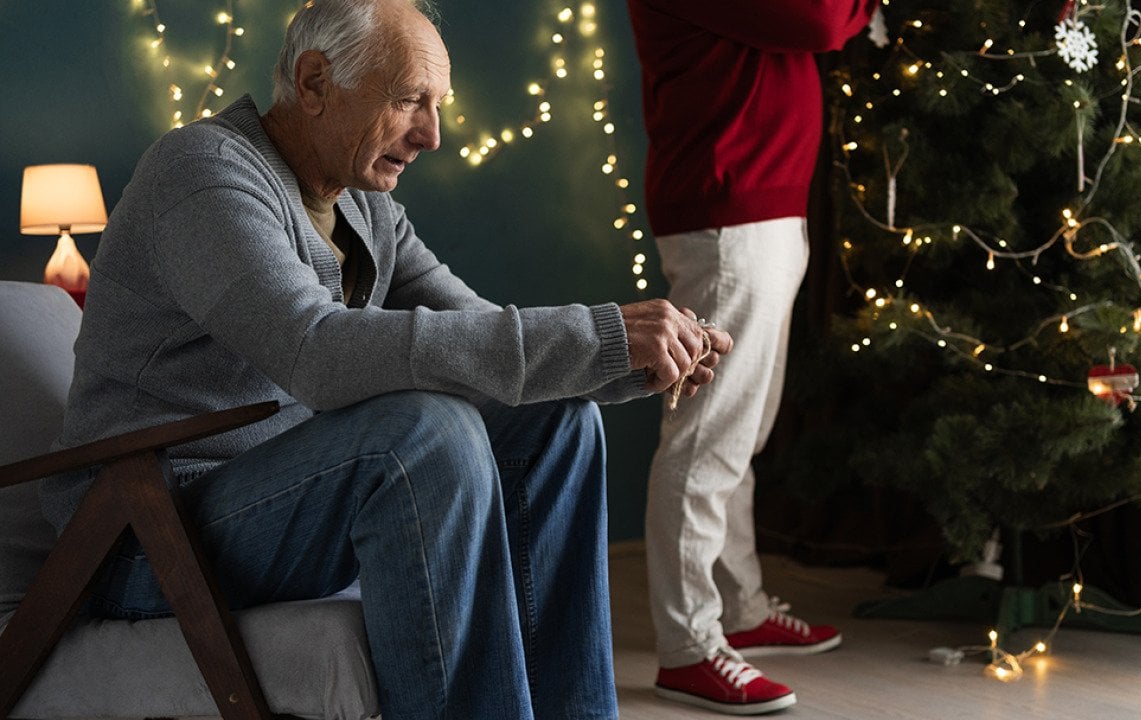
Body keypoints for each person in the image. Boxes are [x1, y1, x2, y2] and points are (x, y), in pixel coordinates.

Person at [37, 1, 732, 718]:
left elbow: (480, 331)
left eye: (436, 106)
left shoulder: (364, 207)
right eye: (409, 101)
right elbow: (317, 351)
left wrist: (631, 360)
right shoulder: (203, 174)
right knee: (424, 434)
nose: (432, 134)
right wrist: (600, 334)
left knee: (557, 419)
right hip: (147, 535)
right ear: (313, 83)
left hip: (271, 504)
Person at [625, 0, 879, 714]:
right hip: (730, 207)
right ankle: (689, 646)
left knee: (743, 430)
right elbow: (821, 20)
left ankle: (739, 606)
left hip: (760, 203)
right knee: (709, 438)